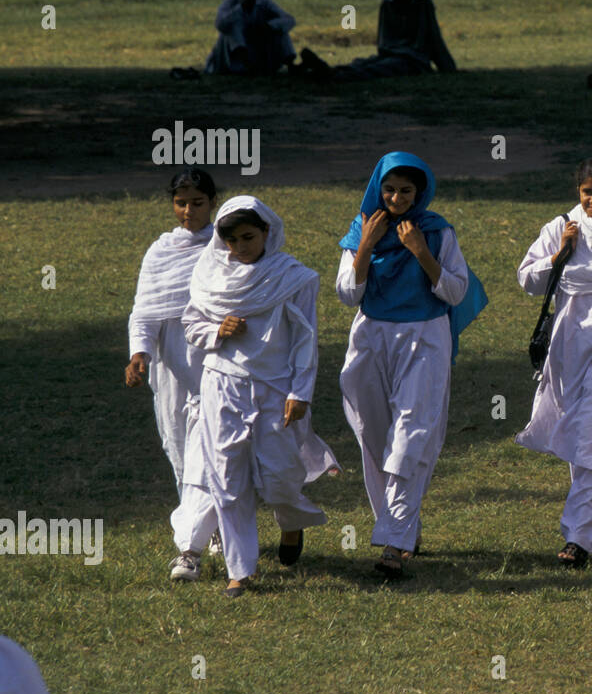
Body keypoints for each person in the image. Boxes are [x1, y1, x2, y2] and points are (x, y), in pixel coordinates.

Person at [337, 152, 488, 579]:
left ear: (420, 193)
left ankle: (394, 542)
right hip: (371, 340)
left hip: (424, 336)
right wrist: (366, 245)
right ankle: (401, 525)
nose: (397, 197)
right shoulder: (360, 229)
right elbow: (348, 294)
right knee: (374, 435)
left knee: (411, 435)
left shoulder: (437, 232)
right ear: (377, 189)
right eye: (390, 189)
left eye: (406, 191)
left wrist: (421, 252)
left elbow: (456, 292)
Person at [183, 197, 337, 597]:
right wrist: (218, 330)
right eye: (231, 240)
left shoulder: (293, 277)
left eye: (248, 237)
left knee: (281, 475)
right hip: (221, 383)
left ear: (268, 231)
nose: (240, 247)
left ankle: (291, 520)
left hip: (275, 386)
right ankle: (240, 570)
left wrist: (299, 391)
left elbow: (306, 337)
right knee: (227, 477)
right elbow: (190, 325)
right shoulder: (208, 277)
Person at [125, 169, 226, 582]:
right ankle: (207, 527)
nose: (189, 211)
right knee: (179, 445)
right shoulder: (160, 251)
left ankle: (195, 544)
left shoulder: (225, 245)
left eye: (198, 203)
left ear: (212, 203)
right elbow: (145, 309)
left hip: (214, 362)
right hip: (170, 367)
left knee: (213, 449)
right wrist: (139, 353)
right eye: (181, 203)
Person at [516, 157, 592, 568]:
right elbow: (527, 279)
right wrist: (559, 254)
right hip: (567, 343)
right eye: (587, 191)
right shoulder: (562, 226)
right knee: (580, 431)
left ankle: (578, 534)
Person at [300, 0, 457, 81]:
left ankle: (336, 76)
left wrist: (448, 67)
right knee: (364, 62)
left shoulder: (423, 4)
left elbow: (435, 38)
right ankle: (329, 70)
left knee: (380, 68)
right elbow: (384, 40)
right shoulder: (388, 4)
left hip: (412, 60)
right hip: (390, 53)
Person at [203, 0, 297, 76]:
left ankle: (291, 65)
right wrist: (241, 8)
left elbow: (289, 20)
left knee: (280, 27)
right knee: (232, 26)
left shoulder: (264, 3)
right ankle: (246, 66)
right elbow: (220, 24)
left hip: (258, 49)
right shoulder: (230, 4)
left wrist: (269, 26)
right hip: (234, 55)